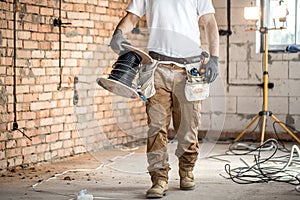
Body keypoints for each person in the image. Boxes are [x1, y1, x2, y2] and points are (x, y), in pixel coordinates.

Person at [110, 0, 219, 198]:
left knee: (188, 126)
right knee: (156, 127)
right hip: (156, 68)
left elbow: (209, 22)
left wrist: (215, 57)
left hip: (189, 71)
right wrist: (119, 32)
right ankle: (159, 178)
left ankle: (186, 171)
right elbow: (132, 17)